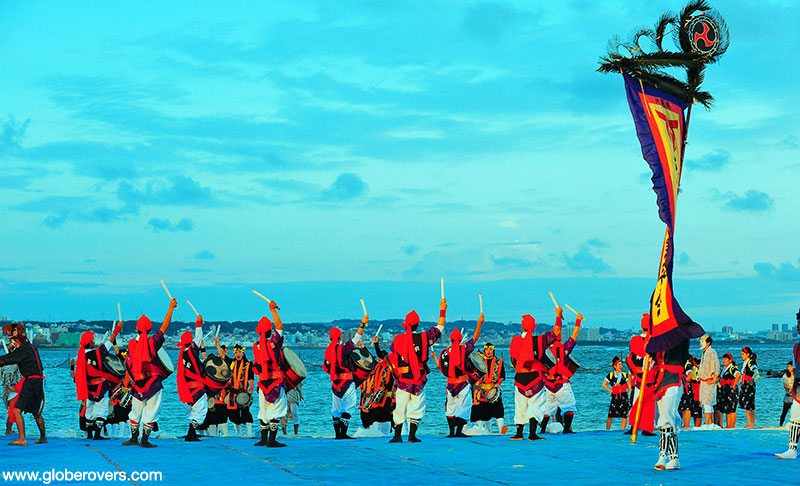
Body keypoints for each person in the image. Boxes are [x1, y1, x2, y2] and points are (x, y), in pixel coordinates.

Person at [386, 299, 446, 443]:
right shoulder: (424, 337)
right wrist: (442, 310)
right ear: (418, 324)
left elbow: (393, 354)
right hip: (418, 378)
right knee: (417, 406)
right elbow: (439, 329)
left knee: (400, 406)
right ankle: (412, 436)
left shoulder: (398, 339)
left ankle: (397, 436)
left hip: (403, 379)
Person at [122, 298, 177, 448]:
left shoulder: (131, 343)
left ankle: (133, 438)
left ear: (137, 329)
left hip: (138, 382)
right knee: (152, 411)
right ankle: (144, 440)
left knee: (135, 411)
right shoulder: (153, 341)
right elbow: (165, 326)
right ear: (150, 328)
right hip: (152, 381)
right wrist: (171, 308)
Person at [508, 307, 560, 441]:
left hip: (519, 377)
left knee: (520, 405)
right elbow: (556, 332)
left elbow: (513, 359)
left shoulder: (514, 341)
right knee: (536, 405)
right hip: (535, 377)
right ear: (534, 326)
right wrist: (558, 315)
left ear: (522, 326)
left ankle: (519, 433)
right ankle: (532, 434)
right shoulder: (539, 340)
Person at [435, 313, 483, 438]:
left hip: (450, 384)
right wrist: (479, 323)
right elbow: (475, 338)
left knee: (450, 408)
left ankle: (451, 432)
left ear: (450, 339)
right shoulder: (464, 348)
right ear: (460, 339)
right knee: (464, 407)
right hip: (462, 383)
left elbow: (442, 368)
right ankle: (458, 432)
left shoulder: (444, 352)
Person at [0, 323, 47, 445]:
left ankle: (22, 439)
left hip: (30, 382)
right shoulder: (31, 348)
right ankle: (43, 437)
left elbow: (7, 359)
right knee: (36, 411)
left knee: (16, 410)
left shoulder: (23, 350)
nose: (11, 342)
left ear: (16, 339)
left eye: (11, 340)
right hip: (38, 382)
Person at [74, 323, 123, 440]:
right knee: (101, 410)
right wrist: (117, 329)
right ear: (90, 343)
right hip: (101, 386)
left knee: (89, 410)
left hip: (88, 387)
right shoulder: (98, 353)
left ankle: (89, 434)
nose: (94, 341)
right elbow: (110, 341)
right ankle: (97, 435)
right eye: (92, 340)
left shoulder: (81, 357)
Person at [322, 315, 367, 439]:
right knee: (348, 407)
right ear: (340, 337)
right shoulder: (344, 348)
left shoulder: (327, 351)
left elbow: (326, 367)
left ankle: (337, 434)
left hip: (335, 384)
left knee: (336, 409)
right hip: (347, 381)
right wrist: (362, 324)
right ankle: (343, 433)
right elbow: (356, 338)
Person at [540, 310, 582, 434]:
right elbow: (574, 336)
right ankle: (567, 429)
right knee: (569, 406)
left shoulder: (544, 350)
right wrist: (578, 320)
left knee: (548, 409)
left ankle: (542, 429)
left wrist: (558, 316)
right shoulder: (564, 348)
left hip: (548, 385)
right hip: (561, 383)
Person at [652, 338, 691, 470]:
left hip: (673, 381)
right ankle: (674, 458)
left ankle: (662, 456)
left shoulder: (681, 339)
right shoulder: (659, 340)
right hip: (661, 382)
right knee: (669, 418)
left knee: (666, 419)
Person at [252, 299, 287, 447]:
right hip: (275, 382)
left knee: (264, 410)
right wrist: (273, 310)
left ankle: (264, 439)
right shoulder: (273, 343)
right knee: (277, 410)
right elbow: (279, 326)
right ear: (268, 330)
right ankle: (272, 440)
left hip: (262, 382)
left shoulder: (256, 345)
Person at [175, 314, 210, 441]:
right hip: (197, 387)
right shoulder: (192, 351)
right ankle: (191, 434)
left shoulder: (182, 353)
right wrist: (198, 323)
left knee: (191, 411)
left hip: (187, 387)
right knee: (200, 410)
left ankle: (191, 433)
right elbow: (199, 338)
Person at [776, 308, 800, 459]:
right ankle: (792, 449)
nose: (798, 325)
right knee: (795, 416)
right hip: (799, 388)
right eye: (797, 322)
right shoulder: (796, 346)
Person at [625, 314, 655, 436]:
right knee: (648, 403)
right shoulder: (653, 340)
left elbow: (630, 357)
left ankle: (634, 427)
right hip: (649, 376)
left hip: (638, 376)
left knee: (637, 401)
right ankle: (646, 428)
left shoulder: (634, 340)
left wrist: (634, 372)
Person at [359, 336, 395, 434]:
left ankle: (386, 434)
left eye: (380, 359)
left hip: (386, 398)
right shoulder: (379, 366)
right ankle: (376, 433)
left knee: (385, 418)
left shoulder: (389, 367)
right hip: (377, 397)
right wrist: (364, 348)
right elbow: (371, 359)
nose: (379, 361)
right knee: (374, 417)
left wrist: (376, 345)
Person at [470, 342, 506, 434]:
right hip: (483, 390)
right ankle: (489, 432)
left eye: (490, 350)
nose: (488, 352)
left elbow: (502, 376)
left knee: (499, 411)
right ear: (484, 351)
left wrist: (498, 383)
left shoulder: (499, 362)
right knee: (485, 413)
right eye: (486, 350)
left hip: (494, 389)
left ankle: (501, 430)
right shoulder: (480, 363)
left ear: (493, 351)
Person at [226, 344, 255, 437]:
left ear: (243, 353)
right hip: (232, 391)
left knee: (245, 411)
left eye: (239, 352)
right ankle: (239, 432)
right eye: (235, 353)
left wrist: (251, 388)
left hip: (243, 391)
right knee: (233, 413)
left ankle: (249, 432)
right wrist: (217, 343)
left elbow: (251, 376)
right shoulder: (232, 363)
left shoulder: (248, 363)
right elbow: (223, 356)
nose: (237, 354)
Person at [602, 356, 629, 430]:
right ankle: (607, 429)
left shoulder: (624, 375)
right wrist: (611, 391)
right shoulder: (610, 375)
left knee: (624, 414)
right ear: (615, 366)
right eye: (619, 365)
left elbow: (628, 384)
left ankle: (622, 429)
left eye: (621, 365)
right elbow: (604, 384)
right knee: (611, 414)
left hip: (623, 395)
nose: (621, 366)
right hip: (615, 395)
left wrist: (630, 391)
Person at [697, 335, 719, 428]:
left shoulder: (712, 352)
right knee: (705, 402)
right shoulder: (704, 353)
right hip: (703, 380)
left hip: (708, 380)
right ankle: (708, 422)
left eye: (703, 341)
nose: (700, 343)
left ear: (708, 342)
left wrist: (714, 379)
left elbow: (716, 366)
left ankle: (708, 422)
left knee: (708, 402)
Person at [2, 340, 22, 436]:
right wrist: (10, 387)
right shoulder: (11, 362)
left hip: (15, 387)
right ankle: (8, 430)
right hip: (13, 388)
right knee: (12, 409)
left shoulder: (13, 360)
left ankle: (9, 429)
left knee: (13, 409)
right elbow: (6, 375)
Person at [716, 352, 741, 429]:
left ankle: (731, 425)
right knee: (727, 408)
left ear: (730, 360)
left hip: (731, 390)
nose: (724, 361)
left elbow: (738, 375)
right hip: (724, 390)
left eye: (726, 359)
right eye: (723, 359)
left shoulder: (732, 368)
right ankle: (728, 425)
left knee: (732, 409)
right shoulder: (724, 369)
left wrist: (734, 384)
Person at [678, 356, 701, 428]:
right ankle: (684, 425)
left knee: (686, 407)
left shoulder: (686, 364)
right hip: (687, 388)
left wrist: (683, 383)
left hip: (688, 388)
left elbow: (690, 375)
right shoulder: (682, 364)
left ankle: (686, 425)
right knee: (683, 407)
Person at [739, 346, 759, 428]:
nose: (742, 356)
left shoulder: (750, 363)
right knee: (747, 404)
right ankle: (749, 423)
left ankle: (751, 423)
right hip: (745, 384)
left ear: (748, 354)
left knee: (750, 404)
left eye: (743, 354)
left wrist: (752, 379)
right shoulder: (745, 362)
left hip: (749, 385)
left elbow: (756, 372)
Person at [781, 361, 795, 427]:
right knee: (784, 412)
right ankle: (780, 425)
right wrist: (790, 386)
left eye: (790, 366)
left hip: (795, 397)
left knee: (794, 412)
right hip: (787, 396)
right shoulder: (786, 375)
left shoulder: (796, 375)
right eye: (788, 366)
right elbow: (785, 384)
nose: (789, 368)